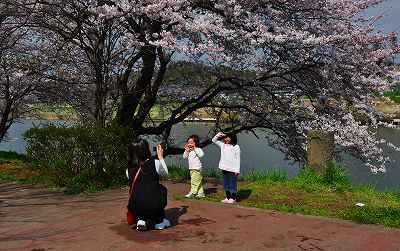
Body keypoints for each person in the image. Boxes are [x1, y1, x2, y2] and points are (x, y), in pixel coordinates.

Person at [126, 139, 171, 231]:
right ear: (146, 150)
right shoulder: (155, 162)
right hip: (153, 204)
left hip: (134, 206)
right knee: (162, 190)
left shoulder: (128, 169)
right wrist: (160, 157)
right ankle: (160, 221)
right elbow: (166, 173)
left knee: (141, 194)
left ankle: (141, 220)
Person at [212, 132, 240, 204]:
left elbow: (238, 159)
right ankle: (228, 197)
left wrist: (237, 170)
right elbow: (213, 140)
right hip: (224, 168)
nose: (226, 139)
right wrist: (218, 135)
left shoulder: (236, 147)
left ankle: (233, 198)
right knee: (226, 183)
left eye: (228, 137)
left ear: (232, 138)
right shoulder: (223, 145)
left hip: (233, 169)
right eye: (225, 137)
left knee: (232, 184)